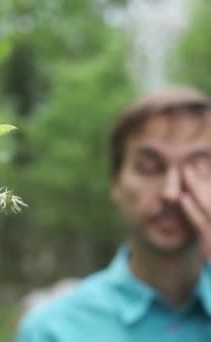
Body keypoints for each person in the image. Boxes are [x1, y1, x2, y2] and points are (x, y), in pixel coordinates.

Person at [16, 86, 211, 341]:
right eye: (149, 168)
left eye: (197, 169)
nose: (171, 192)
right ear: (116, 182)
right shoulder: (54, 329)